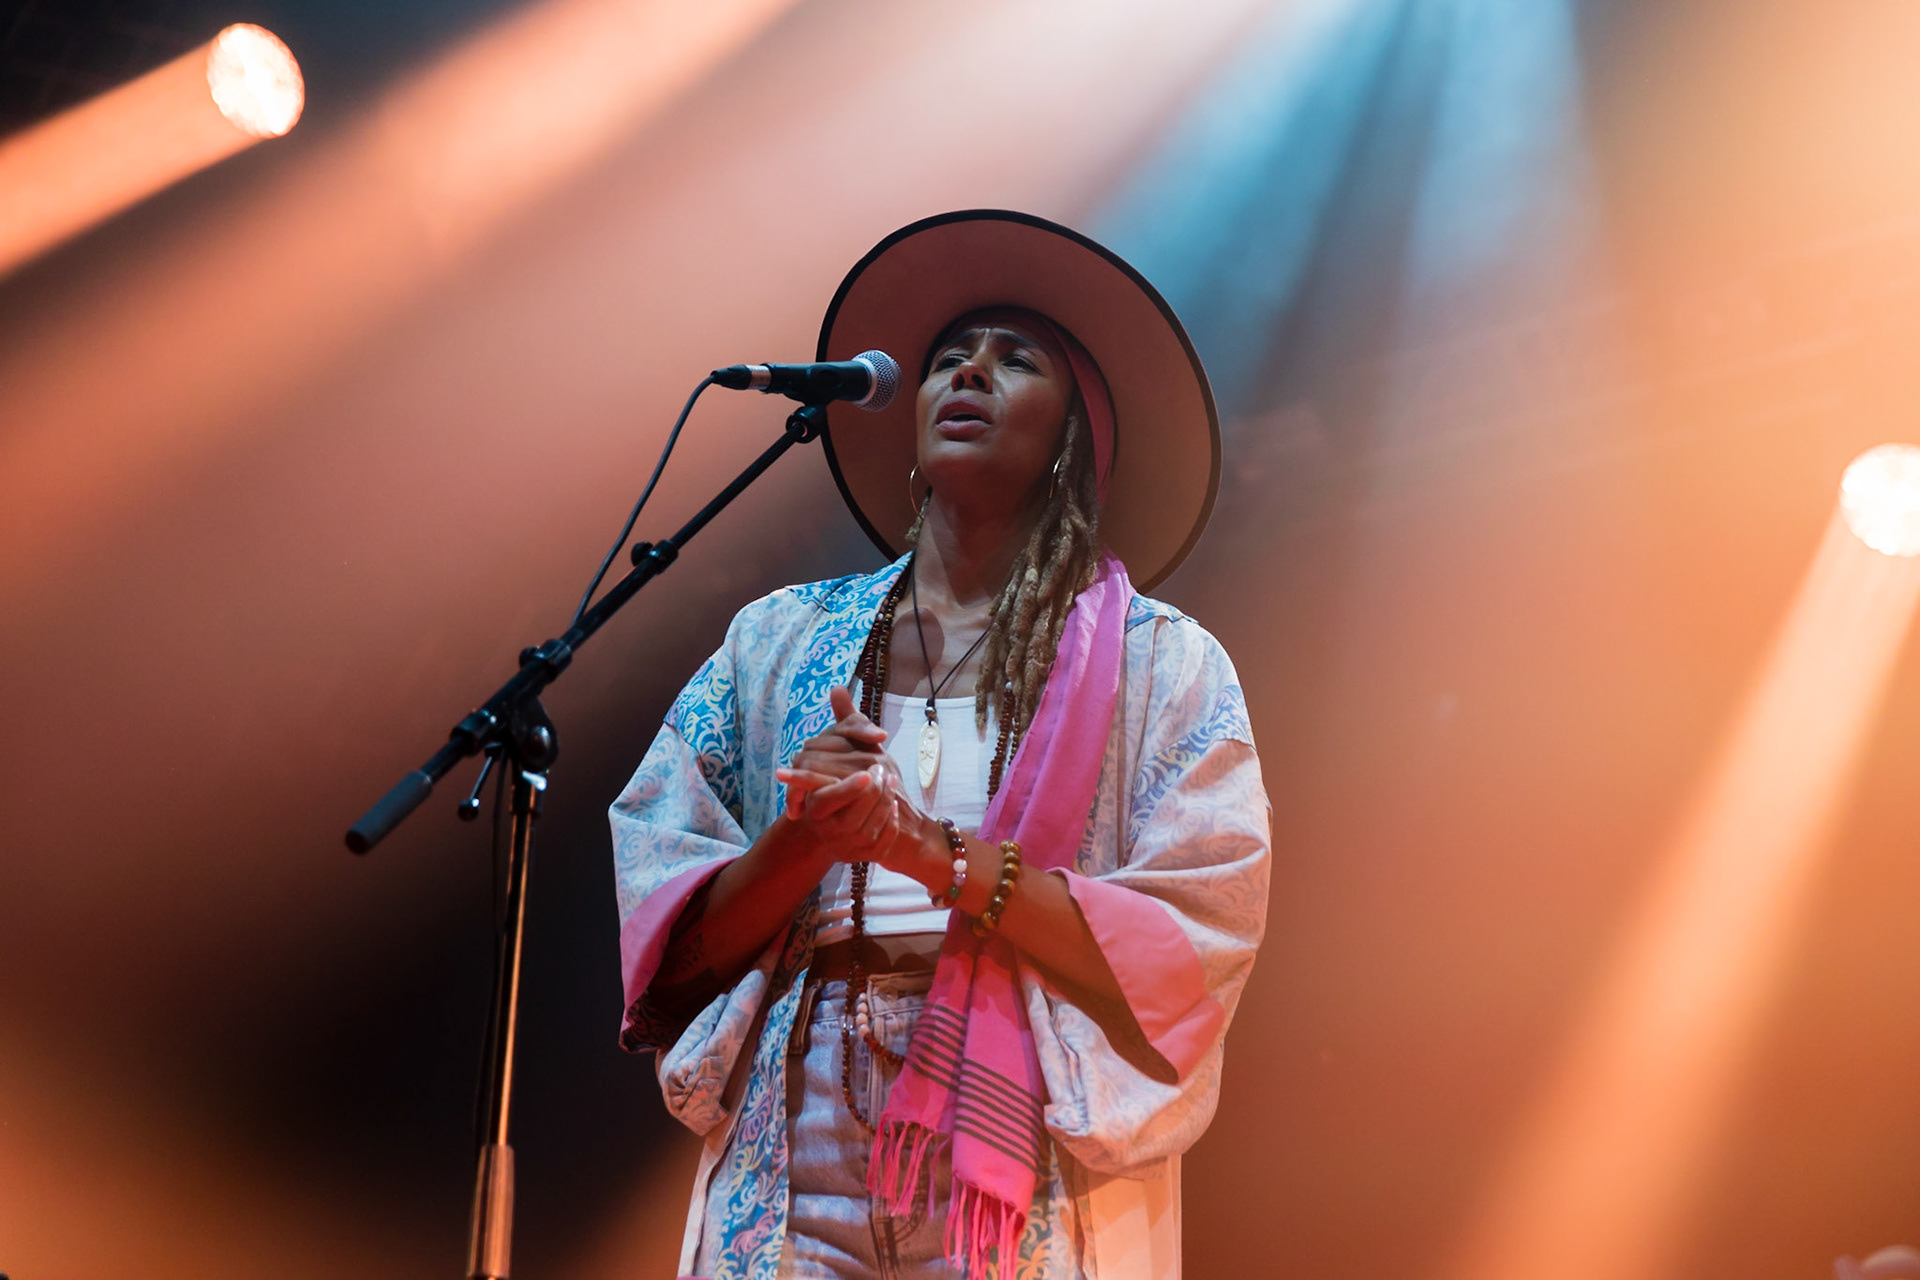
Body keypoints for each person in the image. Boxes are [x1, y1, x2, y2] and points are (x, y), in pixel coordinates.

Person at [611, 210, 1270, 1280]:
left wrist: (939, 858)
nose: (970, 373)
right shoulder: (780, 639)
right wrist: (804, 840)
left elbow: (1192, 942)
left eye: (1017, 361)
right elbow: (674, 958)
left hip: (1020, 1127)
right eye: (950, 360)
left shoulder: (1165, 664)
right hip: (801, 1113)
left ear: (1075, 435)